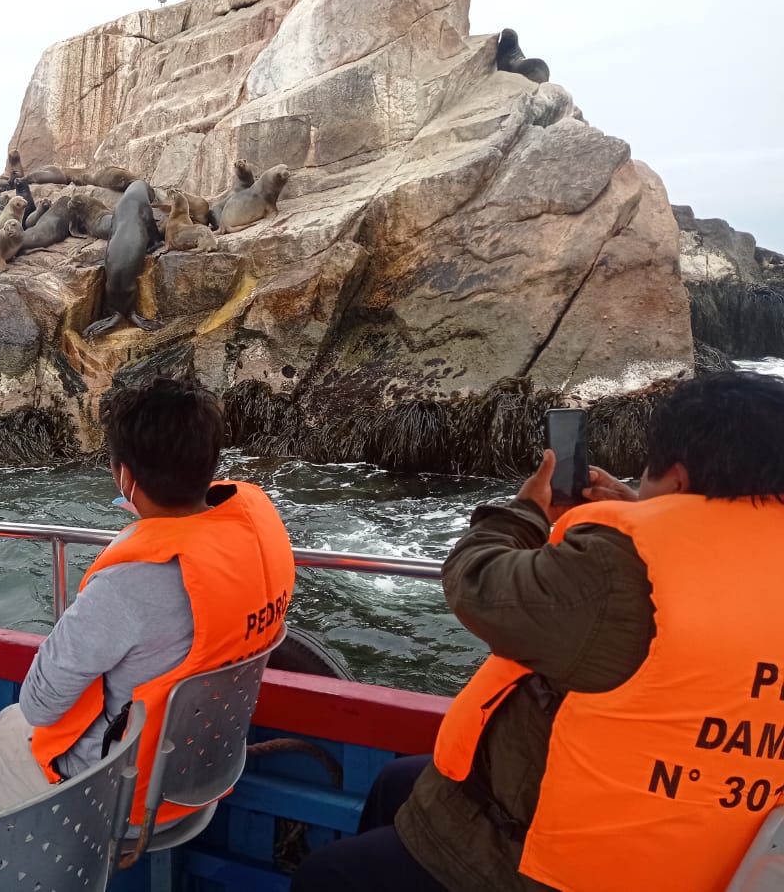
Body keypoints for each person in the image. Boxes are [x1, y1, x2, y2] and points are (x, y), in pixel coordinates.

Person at [292, 370, 784, 892]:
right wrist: (644, 511)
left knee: (327, 875)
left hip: (569, 863)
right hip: (717, 852)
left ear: (679, 480)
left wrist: (524, 513)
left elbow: (478, 586)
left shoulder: (619, 569)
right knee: (398, 783)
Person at [0, 376, 298, 892]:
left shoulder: (130, 582)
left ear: (125, 476)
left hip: (118, 792)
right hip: (203, 769)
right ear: (210, 462)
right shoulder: (256, 537)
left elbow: (42, 704)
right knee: (4, 728)